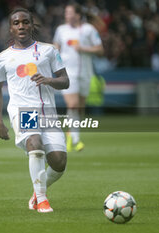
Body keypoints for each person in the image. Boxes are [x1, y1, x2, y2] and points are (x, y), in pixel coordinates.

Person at [0, 8, 69, 213]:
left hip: (48, 114)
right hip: (23, 110)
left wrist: (49, 80)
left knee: (59, 162)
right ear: (10, 28)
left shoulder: (49, 51)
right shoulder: (2, 58)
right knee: (35, 143)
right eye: (16, 23)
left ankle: (37, 191)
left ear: (32, 25)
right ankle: (42, 200)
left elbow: (65, 81)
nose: (21, 26)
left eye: (25, 22)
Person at [53, 2, 104, 152]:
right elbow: (56, 47)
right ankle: (76, 140)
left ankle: (71, 134)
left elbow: (100, 49)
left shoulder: (89, 29)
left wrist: (83, 48)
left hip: (86, 74)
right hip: (68, 74)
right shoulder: (61, 30)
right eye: (66, 13)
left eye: (69, 13)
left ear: (78, 15)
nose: (66, 15)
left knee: (79, 109)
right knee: (73, 105)